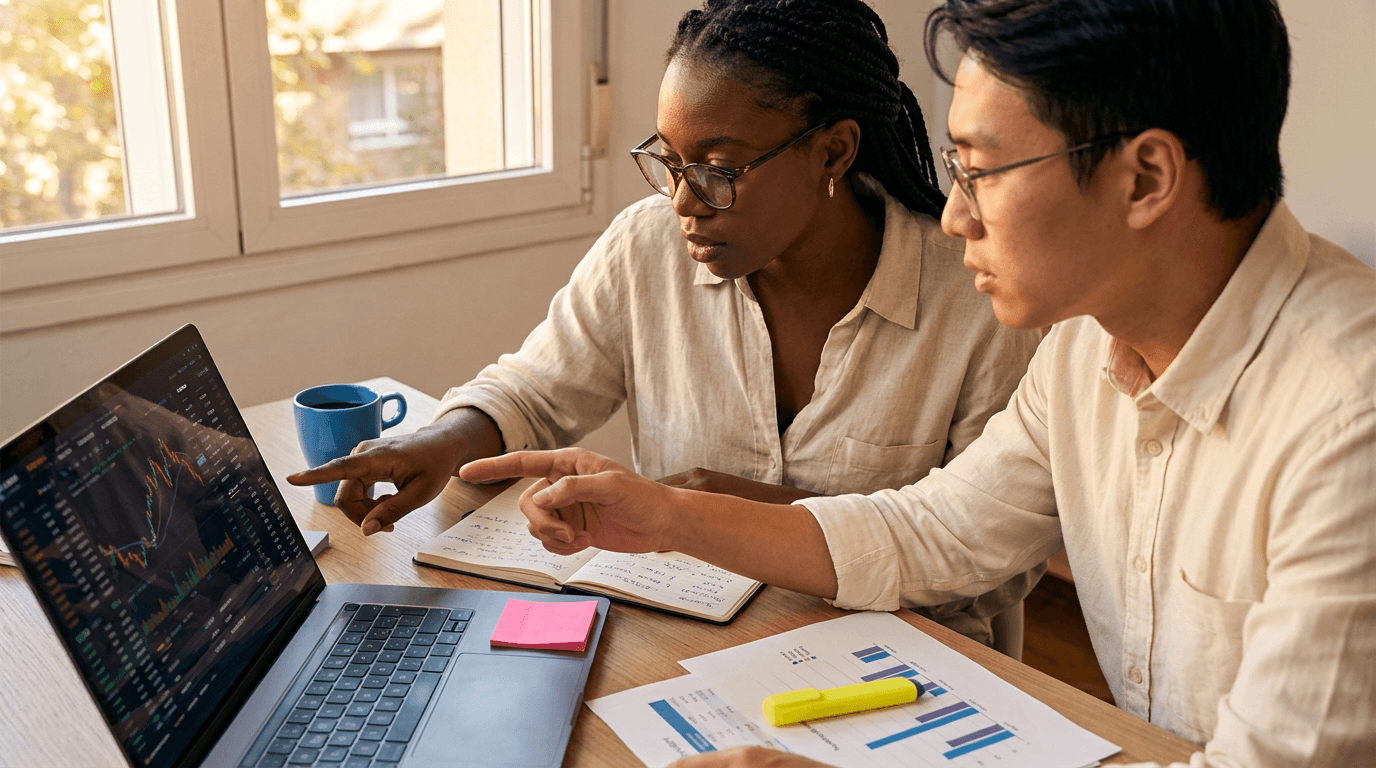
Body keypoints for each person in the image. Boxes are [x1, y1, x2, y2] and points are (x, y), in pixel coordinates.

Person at [458, 0, 1376, 765]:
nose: (952, 218)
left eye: (979, 171)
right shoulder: (1082, 350)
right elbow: (934, 531)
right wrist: (660, 518)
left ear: (1145, 177)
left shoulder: (1349, 419)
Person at [288, 0, 1042, 646]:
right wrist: (439, 440)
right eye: (669, 161)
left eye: (717, 169)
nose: (682, 201)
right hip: (681, 639)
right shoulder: (648, 249)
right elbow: (537, 391)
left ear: (831, 151)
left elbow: (986, 557)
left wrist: (706, 512)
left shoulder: (976, 296)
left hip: (898, 670)